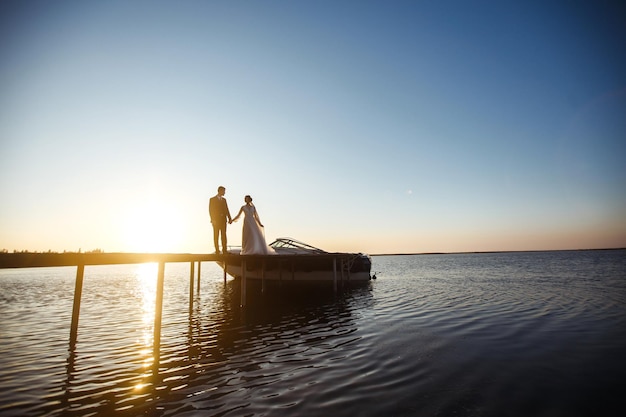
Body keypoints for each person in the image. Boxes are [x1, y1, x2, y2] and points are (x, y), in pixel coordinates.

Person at [208, 186, 232, 254]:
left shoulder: (224, 200)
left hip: (223, 220)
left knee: (224, 235)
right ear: (220, 191)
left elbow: (226, 209)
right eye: (224, 191)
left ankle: (224, 250)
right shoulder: (212, 199)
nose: (224, 193)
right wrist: (212, 219)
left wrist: (229, 218)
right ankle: (217, 249)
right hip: (216, 220)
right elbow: (210, 210)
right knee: (216, 235)